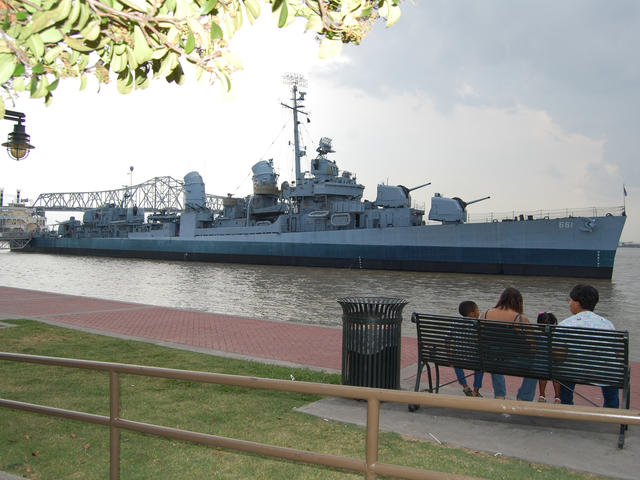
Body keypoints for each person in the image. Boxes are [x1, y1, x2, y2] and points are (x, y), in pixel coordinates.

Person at [558, 284, 619, 408]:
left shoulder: (565, 324)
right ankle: (612, 408)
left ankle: (566, 404)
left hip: (573, 373)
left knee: (564, 369)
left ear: (577, 303)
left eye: (570, 300)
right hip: (603, 373)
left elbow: (558, 355)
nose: (569, 303)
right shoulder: (607, 324)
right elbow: (616, 353)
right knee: (611, 370)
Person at [481, 287, 537, 401]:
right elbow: (533, 344)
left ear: (501, 299)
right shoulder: (520, 318)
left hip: (489, 360)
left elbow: (480, 338)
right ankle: (523, 397)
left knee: (495, 356)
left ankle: (499, 395)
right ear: (518, 302)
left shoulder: (485, 314)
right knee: (536, 367)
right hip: (513, 362)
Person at [454, 301, 484, 397]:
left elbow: (448, 339)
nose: (478, 312)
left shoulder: (456, 323)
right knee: (480, 367)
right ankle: (475, 391)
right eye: (477, 310)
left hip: (458, 357)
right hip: (473, 358)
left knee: (457, 364)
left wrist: (450, 354)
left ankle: (465, 387)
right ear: (472, 314)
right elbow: (479, 340)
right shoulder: (476, 324)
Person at [536, 312, 561, 403]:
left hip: (541, 365)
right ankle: (557, 397)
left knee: (543, 373)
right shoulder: (557, 337)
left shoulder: (538, 336)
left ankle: (542, 395)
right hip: (555, 365)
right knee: (556, 375)